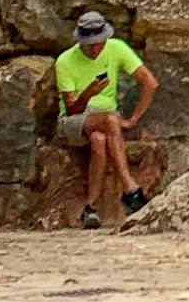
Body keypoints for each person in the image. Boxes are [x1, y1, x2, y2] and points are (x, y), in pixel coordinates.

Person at [54, 12, 158, 231]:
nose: (95, 49)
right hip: (74, 119)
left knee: (99, 140)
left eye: (99, 44)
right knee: (111, 121)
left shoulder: (116, 48)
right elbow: (72, 108)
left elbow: (150, 82)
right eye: (90, 45)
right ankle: (130, 190)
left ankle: (90, 208)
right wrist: (89, 93)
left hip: (103, 117)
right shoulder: (64, 61)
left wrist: (133, 118)